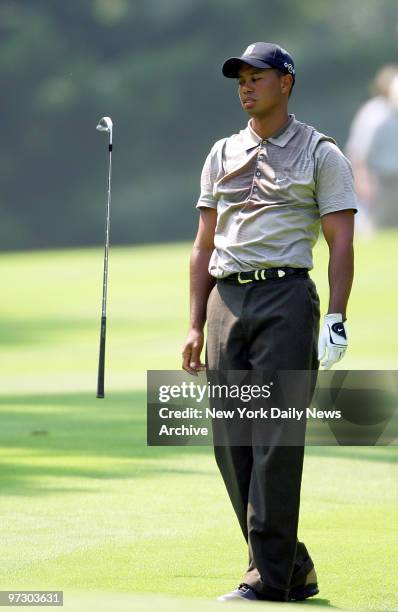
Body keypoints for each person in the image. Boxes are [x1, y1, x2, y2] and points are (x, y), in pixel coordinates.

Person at [182, 42, 357, 603]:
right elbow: (203, 242)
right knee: (230, 443)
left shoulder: (320, 153)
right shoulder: (221, 152)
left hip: (285, 299)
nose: (246, 86)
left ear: (286, 83)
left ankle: (269, 579)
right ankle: (291, 563)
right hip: (224, 304)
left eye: (258, 77)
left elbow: (341, 239)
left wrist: (336, 315)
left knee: (275, 442)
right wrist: (193, 323)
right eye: (241, 78)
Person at [345, 64, 398, 231]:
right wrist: (362, 182)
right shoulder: (373, 114)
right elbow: (358, 152)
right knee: (378, 229)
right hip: (380, 182)